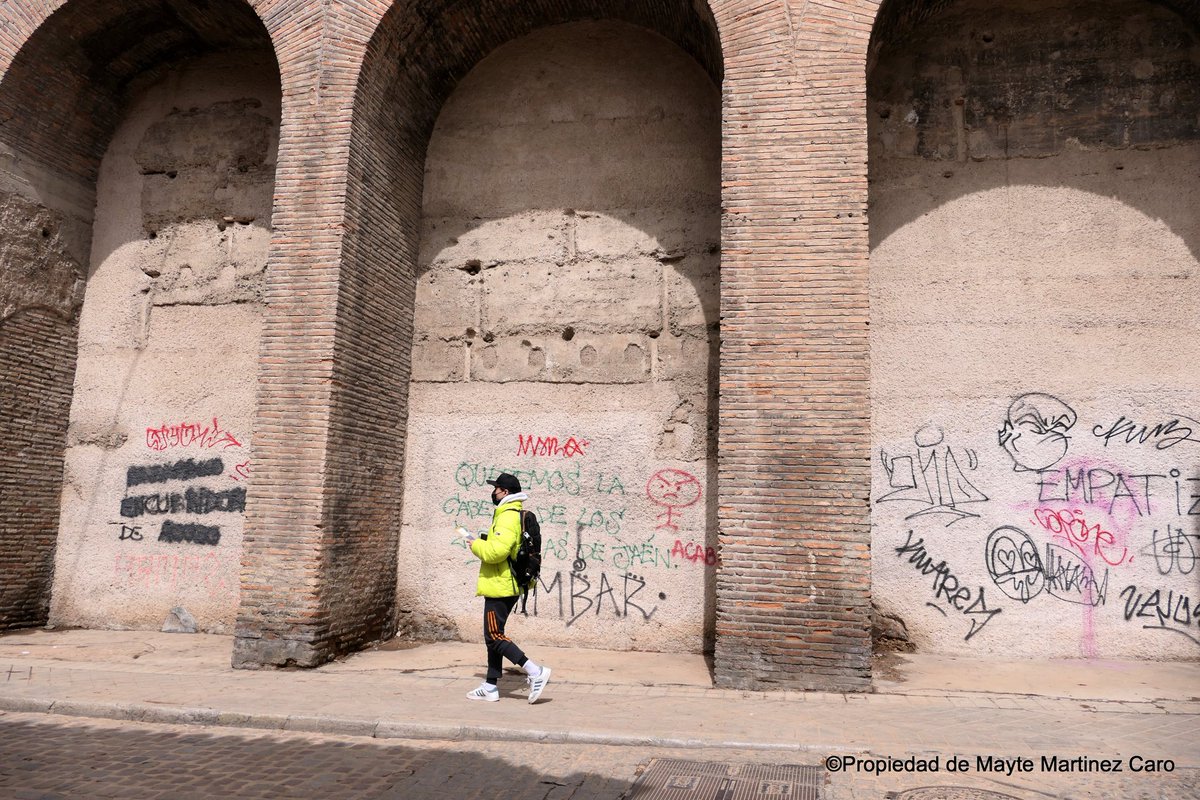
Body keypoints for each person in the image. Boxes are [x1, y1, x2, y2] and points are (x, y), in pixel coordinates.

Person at [462, 472, 551, 703]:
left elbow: (496, 552)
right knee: (494, 635)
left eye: (496, 489)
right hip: (500, 582)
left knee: (493, 636)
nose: (493, 492)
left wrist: (475, 545)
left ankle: (534, 671)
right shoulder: (505, 513)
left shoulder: (507, 516)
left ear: (505, 492)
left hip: (501, 584)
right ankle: (490, 686)